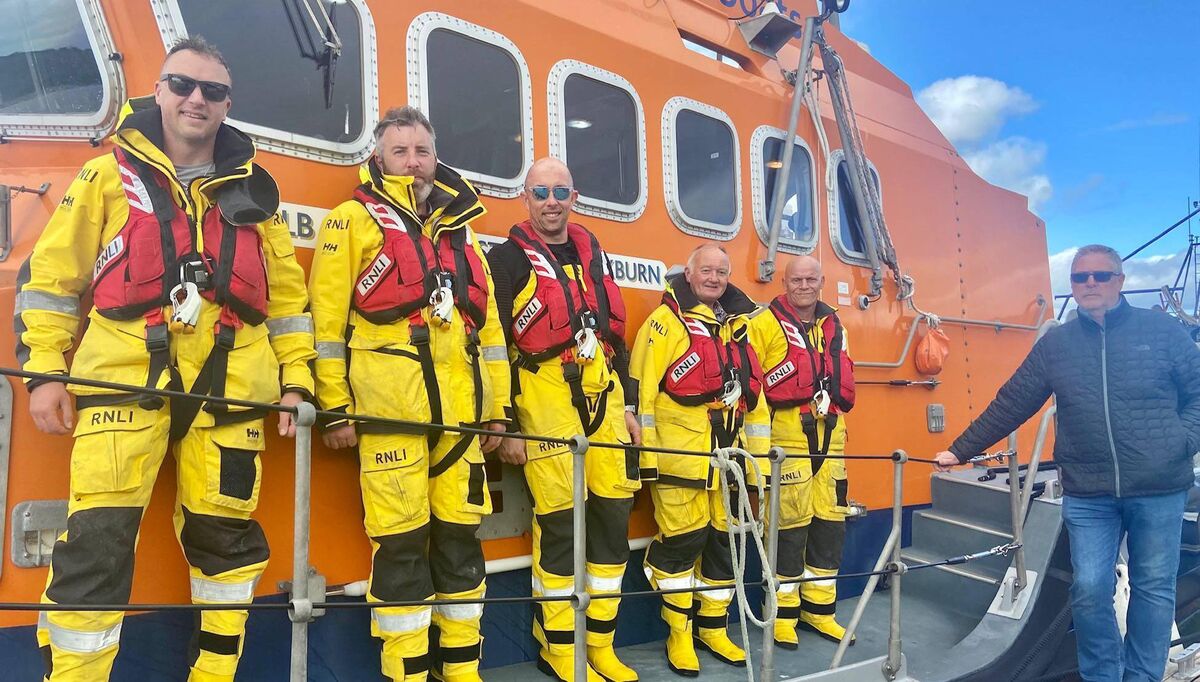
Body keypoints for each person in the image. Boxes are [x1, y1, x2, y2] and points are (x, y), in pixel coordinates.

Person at [15, 37, 316, 681]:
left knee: (228, 548)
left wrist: (296, 384)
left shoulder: (257, 196)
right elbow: (52, 280)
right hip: (122, 386)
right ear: (160, 90)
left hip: (232, 394)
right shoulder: (103, 177)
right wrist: (43, 372)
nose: (196, 100)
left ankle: (214, 674)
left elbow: (288, 301)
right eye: (182, 85)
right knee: (95, 544)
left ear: (227, 104)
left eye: (212, 91)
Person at [933, 244, 1200, 682]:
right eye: (1080, 278)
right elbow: (1014, 400)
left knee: (1153, 590)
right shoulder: (1057, 344)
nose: (1090, 284)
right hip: (1089, 491)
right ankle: (1103, 676)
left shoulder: (1162, 331)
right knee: (1090, 589)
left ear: (1120, 280)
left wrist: (1183, 441)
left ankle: (1144, 676)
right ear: (1072, 286)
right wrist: (961, 449)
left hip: (1160, 487)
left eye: (1100, 275)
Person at [309, 106, 510, 682]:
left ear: (434, 156)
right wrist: (335, 408)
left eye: (422, 150)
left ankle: (462, 667)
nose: (413, 161)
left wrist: (495, 410)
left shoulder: (461, 232)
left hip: (464, 422)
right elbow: (327, 325)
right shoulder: (350, 220)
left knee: (461, 542)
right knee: (399, 548)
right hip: (388, 417)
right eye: (401, 151)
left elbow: (489, 332)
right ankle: (408, 672)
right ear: (379, 157)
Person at [487, 158, 642, 682]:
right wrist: (504, 421)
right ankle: (559, 645)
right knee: (558, 523)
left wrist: (628, 405)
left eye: (560, 191)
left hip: (604, 394)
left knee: (613, 516)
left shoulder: (592, 253)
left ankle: (600, 642)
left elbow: (613, 333)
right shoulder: (507, 259)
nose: (551, 201)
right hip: (544, 395)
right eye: (541, 192)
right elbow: (494, 342)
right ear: (525, 198)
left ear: (573, 196)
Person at [629, 244, 770, 677]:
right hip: (682, 461)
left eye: (721, 272)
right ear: (688, 275)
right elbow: (642, 395)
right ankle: (679, 635)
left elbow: (757, 406)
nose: (714, 278)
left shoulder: (739, 329)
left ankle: (714, 628)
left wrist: (758, 468)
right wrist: (649, 461)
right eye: (706, 270)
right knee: (681, 545)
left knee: (727, 547)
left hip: (731, 460)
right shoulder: (664, 323)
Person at [747, 255, 856, 649]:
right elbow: (753, 392)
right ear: (784, 281)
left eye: (812, 279)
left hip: (832, 444)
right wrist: (758, 457)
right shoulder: (762, 326)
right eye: (797, 279)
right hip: (787, 444)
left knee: (830, 528)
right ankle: (783, 616)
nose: (805, 285)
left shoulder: (834, 327)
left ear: (821, 281)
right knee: (788, 533)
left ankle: (820, 612)